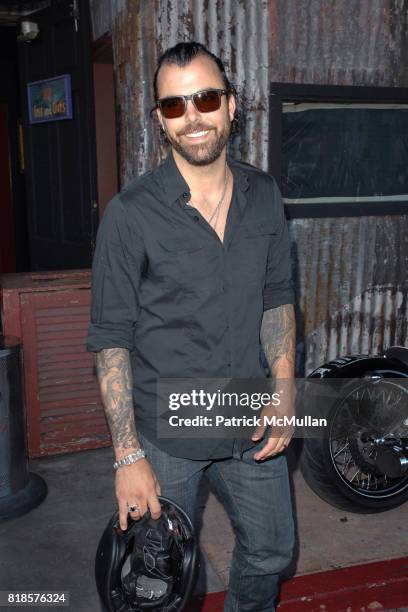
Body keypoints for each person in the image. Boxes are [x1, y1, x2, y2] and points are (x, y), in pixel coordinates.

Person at [87, 41, 296, 612]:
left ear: (232, 105)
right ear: (160, 119)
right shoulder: (130, 215)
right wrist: (127, 457)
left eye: (205, 98)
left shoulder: (265, 196)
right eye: (175, 105)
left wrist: (284, 390)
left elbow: (277, 298)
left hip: (248, 417)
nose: (193, 116)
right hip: (166, 428)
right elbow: (110, 338)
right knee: (162, 583)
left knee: (275, 550)